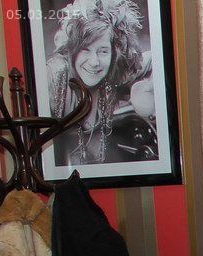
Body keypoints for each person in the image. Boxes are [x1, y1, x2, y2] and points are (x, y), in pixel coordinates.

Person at [46, 0, 156, 165]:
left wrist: (145, 87)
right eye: (85, 49)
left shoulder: (113, 73)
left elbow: (155, 58)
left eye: (103, 51)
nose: (94, 62)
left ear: (115, 53)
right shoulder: (56, 74)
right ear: (72, 50)